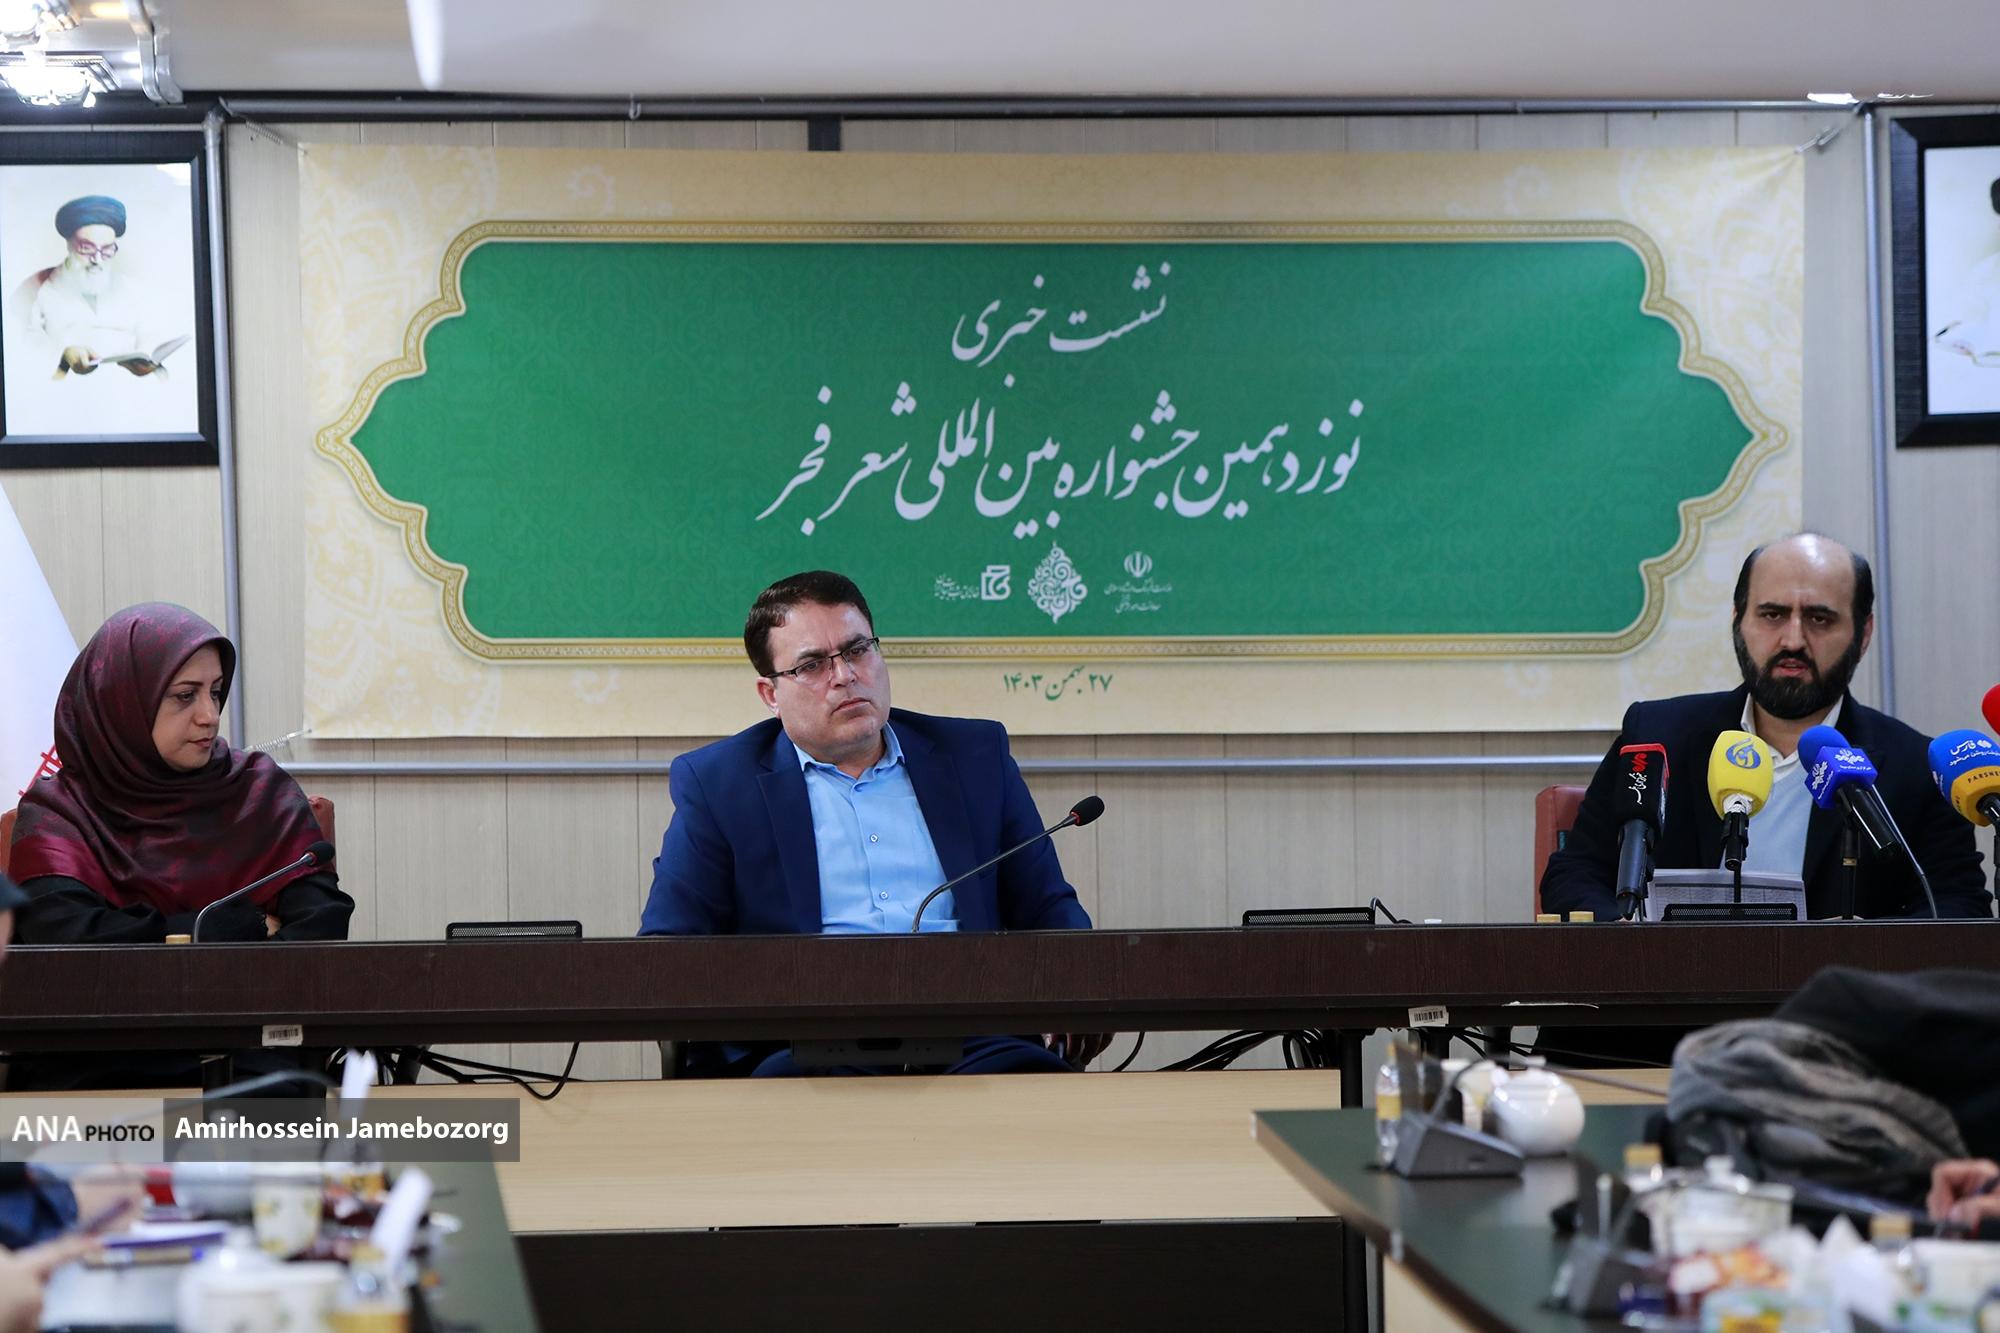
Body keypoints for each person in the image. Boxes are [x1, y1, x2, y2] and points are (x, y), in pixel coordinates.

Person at [640, 570, 1102, 1076]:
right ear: (770, 694)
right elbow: (669, 945)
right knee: (783, 1092)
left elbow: (1048, 906)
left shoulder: (974, 758)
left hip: (971, 1037)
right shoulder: (719, 784)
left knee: (1039, 1085)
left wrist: (1076, 985)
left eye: (858, 650)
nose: (844, 676)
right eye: (812, 665)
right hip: (804, 1045)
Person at [1542, 533, 1988, 922]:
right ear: (1738, 620)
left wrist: (1859, 946)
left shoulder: (1917, 768)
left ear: (1863, 632)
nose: (1793, 640)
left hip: (1832, 992)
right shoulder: (1656, 736)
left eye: (1819, 619)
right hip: (1668, 990)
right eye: (1772, 615)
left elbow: (1957, 907)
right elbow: (1575, 873)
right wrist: (1631, 943)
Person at [6, 603, 353, 1088]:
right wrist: (211, 933)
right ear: (123, 701)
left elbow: (321, 923)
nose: (209, 716)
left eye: (215, 692)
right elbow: (72, 947)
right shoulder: (60, 812)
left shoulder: (259, 792)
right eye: (185, 696)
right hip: (97, 1057)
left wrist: (181, 951)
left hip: (247, 1047)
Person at [11, 195, 170, 380]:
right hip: (63, 389)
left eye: (107, 249)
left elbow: (150, 334)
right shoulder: (35, 290)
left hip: (127, 388)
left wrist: (146, 357)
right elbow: (22, 351)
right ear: (69, 245)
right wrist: (63, 355)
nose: (97, 259)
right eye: (87, 248)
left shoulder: (132, 289)